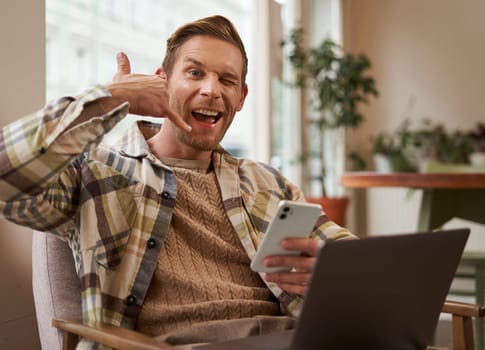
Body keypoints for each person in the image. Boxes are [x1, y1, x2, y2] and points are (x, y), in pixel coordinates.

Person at [0, 15, 353, 348]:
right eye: (195, 73)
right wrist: (110, 98)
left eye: (227, 80)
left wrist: (332, 268)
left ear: (241, 98)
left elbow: (365, 264)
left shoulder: (270, 183)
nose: (212, 90)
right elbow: (6, 175)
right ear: (162, 81)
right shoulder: (95, 172)